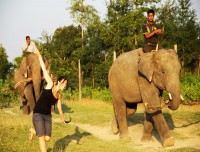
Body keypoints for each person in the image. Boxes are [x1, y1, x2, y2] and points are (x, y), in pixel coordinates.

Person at [29, 49, 69, 152]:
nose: (65, 86)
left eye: (66, 84)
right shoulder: (50, 84)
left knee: (47, 138)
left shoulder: (59, 96)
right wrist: (39, 55)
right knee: (41, 138)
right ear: (59, 82)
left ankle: (33, 131)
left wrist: (63, 118)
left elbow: (59, 108)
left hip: (47, 116)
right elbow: (44, 69)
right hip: (38, 113)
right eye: (64, 83)